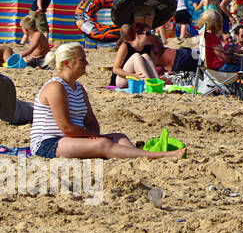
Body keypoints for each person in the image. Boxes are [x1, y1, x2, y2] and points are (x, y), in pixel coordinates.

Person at [29, 42, 185, 160]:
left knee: (119, 137)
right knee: (103, 144)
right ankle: (160, 155)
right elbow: (67, 127)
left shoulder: (78, 88)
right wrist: (94, 137)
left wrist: (93, 133)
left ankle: (140, 157)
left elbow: (90, 120)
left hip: (69, 138)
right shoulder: (55, 87)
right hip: (47, 144)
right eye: (82, 60)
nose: (86, 64)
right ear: (67, 64)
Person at [111, 24, 163, 89]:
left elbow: (152, 66)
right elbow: (115, 69)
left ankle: (157, 83)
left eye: (151, 33)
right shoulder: (126, 46)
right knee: (136, 56)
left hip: (138, 79)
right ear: (137, 35)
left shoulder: (148, 48)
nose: (150, 36)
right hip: (123, 79)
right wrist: (133, 76)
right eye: (148, 33)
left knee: (145, 56)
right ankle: (147, 83)